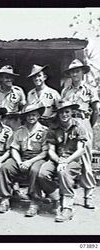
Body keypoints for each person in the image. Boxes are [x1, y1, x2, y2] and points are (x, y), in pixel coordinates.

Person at [38, 101, 88, 222]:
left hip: (73, 160)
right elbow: (51, 150)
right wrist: (58, 160)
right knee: (42, 173)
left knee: (63, 172)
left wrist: (65, 162)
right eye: (61, 113)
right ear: (58, 114)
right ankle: (56, 198)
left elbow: (80, 150)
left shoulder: (78, 127)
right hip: (57, 159)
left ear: (72, 112)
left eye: (67, 112)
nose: (64, 115)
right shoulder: (53, 128)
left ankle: (67, 208)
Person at [61, 59, 100, 209]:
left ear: (83, 72)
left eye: (77, 71)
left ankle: (88, 195)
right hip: (69, 125)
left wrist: (89, 125)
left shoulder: (90, 89)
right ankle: (67, 194)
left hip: (83, 122)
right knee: (68, 156)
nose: (74, 74)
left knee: (86, 160)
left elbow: (96, 110)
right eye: (72, 71)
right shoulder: (66, 90)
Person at [0, 104, 48, 214]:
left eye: (34, 115)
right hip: (22, 157)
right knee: (5, 167)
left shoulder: (44, 131)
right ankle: (5, 199)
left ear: (38, 116)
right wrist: (19, 162)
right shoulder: (20, 131)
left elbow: (45, 152)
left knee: (35, 170)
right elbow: (14, 148)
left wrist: (29, 162)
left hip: (37, 158)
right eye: (28, 115)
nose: (31, 117)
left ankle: (34, 202)